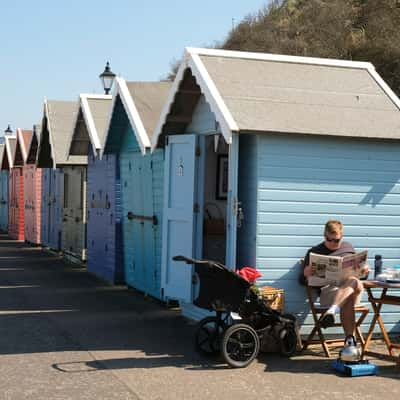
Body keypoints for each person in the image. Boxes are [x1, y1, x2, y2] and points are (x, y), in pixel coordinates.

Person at [301, 220, 369, 347]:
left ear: (341, 237)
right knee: (347, 299)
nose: (332, 243)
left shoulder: (348, 248)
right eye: (329, 239)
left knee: (353, 280)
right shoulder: (314, 251)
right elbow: (301, 281)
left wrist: (364, 271)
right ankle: (350, 342)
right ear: (324, 236)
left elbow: (361, 275)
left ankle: (333, 310)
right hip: (329, 291)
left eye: (336, 240)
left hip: (353, 288)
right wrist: (306, 274)